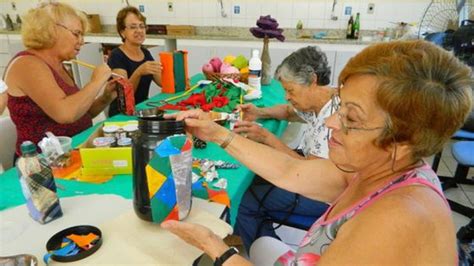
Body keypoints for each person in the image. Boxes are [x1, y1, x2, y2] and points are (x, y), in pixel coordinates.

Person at [162, 40, 472, 265]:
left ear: (402, 142)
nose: (329, 121)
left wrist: (217, 250)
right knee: (263, 244)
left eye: (350, 118)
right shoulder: (381, 169)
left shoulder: (396, 221)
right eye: (340, 106)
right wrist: (217, 133)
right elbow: (290, 171)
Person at [232, 46, 334, 251]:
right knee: (254, 173)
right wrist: (258, 112)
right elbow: (288, 112)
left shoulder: (332, 118)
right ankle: (244, 229)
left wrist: (267, 137)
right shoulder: (318, 102)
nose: (286, 96)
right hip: (311, 168)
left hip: (323, 194)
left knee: (245, 200)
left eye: (290, 91)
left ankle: (273, 255)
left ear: (312, 80)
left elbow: (310, 173)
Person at [5, 2, 115, 158]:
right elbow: (65, 114)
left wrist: (105, 98)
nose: (82, 41)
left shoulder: (58, 65)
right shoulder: (28, 64)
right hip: (42, 165)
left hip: (73, 151)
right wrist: (96, 82)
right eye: (76, 34)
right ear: (51, 30)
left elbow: (81, 114)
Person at [107, 6, 162, 117]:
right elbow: (124, 95)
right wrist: (138, 72)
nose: (139, 31)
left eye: (142, 26)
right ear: (122, 32)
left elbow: (162, 82)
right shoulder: (116, 56)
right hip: (122, 113)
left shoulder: (145, 53)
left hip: (142, 108)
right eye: (133, 27)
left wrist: (176, 70)